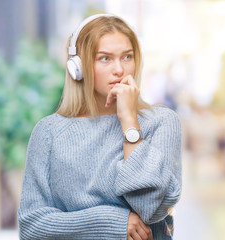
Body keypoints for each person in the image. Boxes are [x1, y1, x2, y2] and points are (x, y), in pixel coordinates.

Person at [18, 14, 182, 240]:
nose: (119, 69)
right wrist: (111, 221)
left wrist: (129, 121)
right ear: (79, 67)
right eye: (105, 59)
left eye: (127, 57)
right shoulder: (49, 132)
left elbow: (149, 207)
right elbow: (32, 226)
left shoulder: (162, 122)